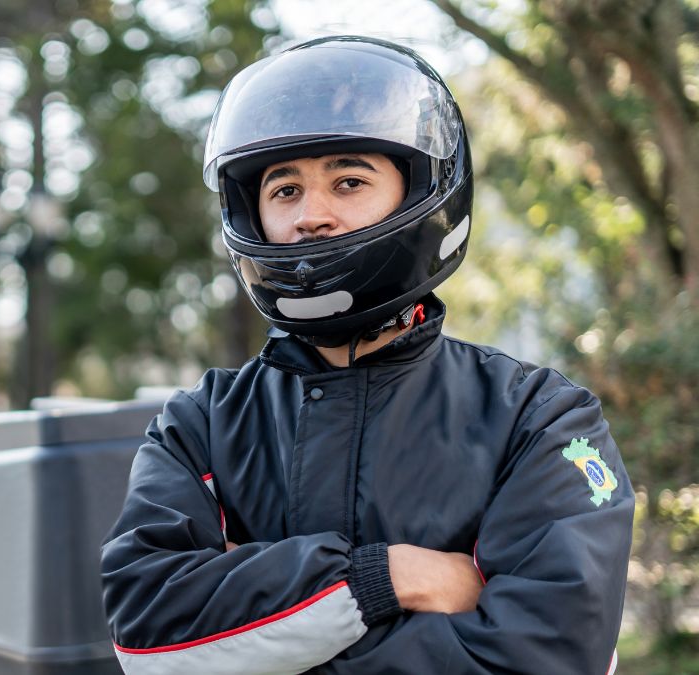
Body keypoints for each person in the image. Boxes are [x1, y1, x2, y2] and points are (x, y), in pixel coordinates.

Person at [99, 35, 633, 675]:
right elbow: (148, 633)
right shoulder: (202, 425)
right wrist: (387, 576)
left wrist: (256, 629)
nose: (311, 217)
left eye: (349, 181)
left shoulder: (539, 419)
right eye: (285, 190)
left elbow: (551, 654)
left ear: (419, 194)